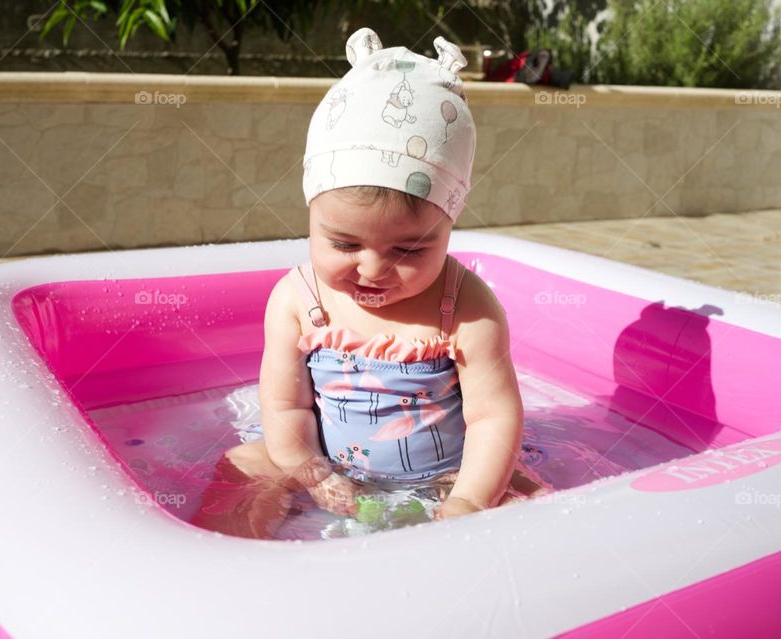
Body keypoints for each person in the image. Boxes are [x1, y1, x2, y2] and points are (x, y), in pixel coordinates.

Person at [196, 27, 552, 540]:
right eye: (343, 244)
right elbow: (286, 406)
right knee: (242, 468)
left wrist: (469, 499)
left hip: (449, 475)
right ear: (311, 216)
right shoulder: (299, 300)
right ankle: (233, 576)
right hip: (328, 467)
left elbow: (494, 418)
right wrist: (313, 474)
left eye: (409, 250)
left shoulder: (467, 307)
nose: (371, 269)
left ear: (451, 225)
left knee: (532, 501)